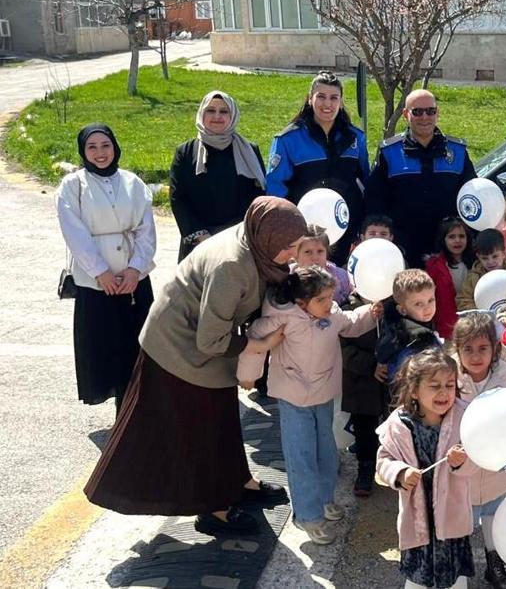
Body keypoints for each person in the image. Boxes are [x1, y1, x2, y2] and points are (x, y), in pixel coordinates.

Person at [85, 196, 306, 536]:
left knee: (223, 418)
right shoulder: (231, 265)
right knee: (199, 431)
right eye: (289, 247)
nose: (293, 255)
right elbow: (210, 342)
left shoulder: (255, 240)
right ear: (269, 238)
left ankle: (240, 483)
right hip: (176, 348)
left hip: (201, 338)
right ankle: (213, 509)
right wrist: (257, 346)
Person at [236, 266, 377, 544]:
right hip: (292, 397)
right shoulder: (281, 319)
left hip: (323, 394)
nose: (329, 304)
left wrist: (371, 313)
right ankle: (308, 516)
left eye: (330, 297)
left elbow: (349, 322)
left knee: (326, 451)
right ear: (301, 302)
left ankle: (324, 499)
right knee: (301, 456)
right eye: (322, 299)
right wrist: (248, 376)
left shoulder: (332, 313)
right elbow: (255, 341)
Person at [56, 123, 157, 415]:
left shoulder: (133, 183)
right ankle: (118, 405)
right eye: (92, 147)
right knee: (105, 346)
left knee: (136, 343)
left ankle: (136, 407)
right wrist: (100, 271)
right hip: (96, 282)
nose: (100, 153)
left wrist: (136, 269)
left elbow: (146, 230)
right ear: (83, 151)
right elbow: (74, 232)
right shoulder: (73, 185)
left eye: (105, 146)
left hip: (133, 281)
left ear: (115, 147)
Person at [377, 348, 478, 589]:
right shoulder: (399, 425)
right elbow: (383, 460)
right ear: (414, 390)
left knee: (455, 578)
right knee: (417, 579)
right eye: (434, 386)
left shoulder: (465, 418)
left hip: (450, 517)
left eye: (449, 385)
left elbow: (478, 459)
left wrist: (461, 462)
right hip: (418, 520)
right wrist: (400, 473)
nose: (444, 393)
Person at [266, 71, 370, 264]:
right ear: (309, 99)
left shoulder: (356, 138)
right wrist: (286, 229)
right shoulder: (288, 139)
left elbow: (366, 180)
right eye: (321, 97)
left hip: (345, 224)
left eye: (333, 98)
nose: (327, 104)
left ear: (341, 101)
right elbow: (275, 189)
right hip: (305, 231)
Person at [365, 89, 476, 267]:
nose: (424, 117)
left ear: (437, 113)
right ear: (405, 114)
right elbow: (375, 201)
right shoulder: (390, 152)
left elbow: (471, 198)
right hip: (405, 248)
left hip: (449, 250)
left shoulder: (457, 151)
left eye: (430, 111)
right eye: (417, 111)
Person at [451, 313, 506, 589]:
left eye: (482, 348)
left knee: (494, 514)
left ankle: (495, 563)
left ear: (494, 349)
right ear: (457, 350)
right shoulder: (451, 378)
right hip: (464, 465)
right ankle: (461, 565)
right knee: (461, 518)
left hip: (496, 463)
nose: (476, 356)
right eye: (467, 349)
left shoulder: (505, 376)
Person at [170, 91, 266, 260]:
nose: (217, 116)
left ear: (233, 115)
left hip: (239, 242)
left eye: (224, 111)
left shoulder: (249, 150)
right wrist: (202, 237)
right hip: (198, 245)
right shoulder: (185, 152)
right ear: (201, 113)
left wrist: (240, 233)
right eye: (210, 110)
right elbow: (178, 198)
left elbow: (259, 196)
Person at [340, 291, 391, 497]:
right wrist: (372, 366)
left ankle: (394, 466)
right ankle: (366, 469)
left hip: (390, 379)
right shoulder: (348, 310)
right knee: (364, 430)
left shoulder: (396, 305)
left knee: (393, 425)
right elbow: (344, 350)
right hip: (360, 383)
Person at [378, 269, 442, 383]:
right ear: (402, 310)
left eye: (431, 300)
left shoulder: (424, 325)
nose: (428, 308)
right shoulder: (404, 342)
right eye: (418, 304)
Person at [425, 217, 475, 338]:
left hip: (475, 326)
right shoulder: (434, 266)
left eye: (462, 236)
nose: (457, 240)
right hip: (447, 329)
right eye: (452, 237)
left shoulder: (477, 263)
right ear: (443, 240)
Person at [456, 229, 506, 312]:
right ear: (478, 257)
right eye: (485, 258)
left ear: (503, 253)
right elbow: (463, 301)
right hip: (485, 321)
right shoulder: (473, 278)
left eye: (495, 256)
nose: (490, 262)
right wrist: (481, 313)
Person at [295, 224, 353, 304]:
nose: (315, 258)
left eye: (320, 251)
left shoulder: (342, 277)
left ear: (327, 253)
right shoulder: (289, 278)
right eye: (308, 252)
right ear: (296, 255)